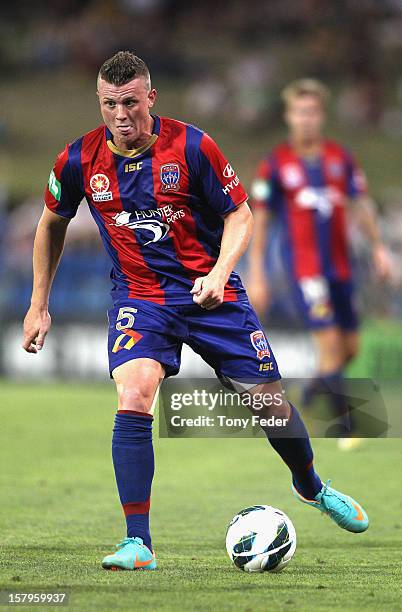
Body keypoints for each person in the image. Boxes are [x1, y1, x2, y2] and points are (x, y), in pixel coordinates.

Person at [23, 53, 368, 572]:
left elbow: (240, 214)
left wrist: (220, 271)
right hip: (140, 298)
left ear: (151, 98)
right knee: (134, 392)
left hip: (213, 294)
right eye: (110, 104)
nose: (121, 115)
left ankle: (311, 486)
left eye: (131, 103)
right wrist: (38, 303)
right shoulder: (77, 160)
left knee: (268, 406)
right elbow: (51, 223)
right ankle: (138, 541)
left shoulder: (191, 145)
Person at [248, 78, 391, 450]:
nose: (306, 119)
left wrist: (378, 248)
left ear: (321, 116)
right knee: (329, 346)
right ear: (289, 116)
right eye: (300, 112)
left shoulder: (340, 159)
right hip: (304, 270)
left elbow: (361, 205)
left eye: (312, 112)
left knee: (350, 348)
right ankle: (347, 426)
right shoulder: (276, 164)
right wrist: (258, 272)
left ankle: (310, 396)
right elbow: (261, 220)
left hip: (341, 268)